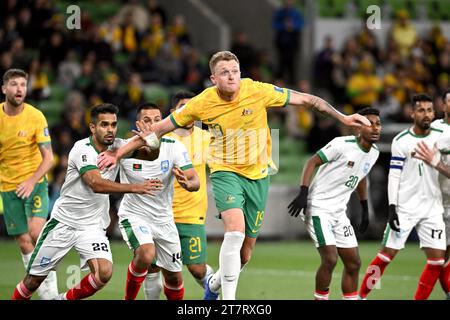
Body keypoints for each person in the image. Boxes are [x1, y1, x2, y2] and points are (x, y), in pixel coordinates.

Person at [97, 51, 371, 300]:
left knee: (245, 253)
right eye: (225, 72)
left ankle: (214, 284)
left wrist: (344, 118)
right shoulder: (202, 102)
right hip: (225, 172)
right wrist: (117, 155)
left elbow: (309, 100)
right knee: (235, 232)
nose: (231, 76)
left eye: (235, 70)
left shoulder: (257, 90)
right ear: (213, 78)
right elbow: (155, 131)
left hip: (259, 176)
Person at [11, 103, 159, 300]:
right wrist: (135, 188)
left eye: (113, 125)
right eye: (104, 125)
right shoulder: (82, 149)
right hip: (63, 223)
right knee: (32, 281)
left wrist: (152, 141)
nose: (110, 130)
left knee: (104, 273)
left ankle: (62, 299)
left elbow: (150, 156)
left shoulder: (118, 147)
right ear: (93, 127)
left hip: (91, 227)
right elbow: (96, 184)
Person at [358, 94, 447, 300]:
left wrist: (438, 162)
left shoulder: (441, 138)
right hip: (405, 207)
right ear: (412, 113)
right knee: (385, 256)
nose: (427, 115)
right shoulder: (402, 141)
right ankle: (361, 296)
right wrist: (392, 207)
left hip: (433, 207)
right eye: (422, 110)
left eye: (430, 110)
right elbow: (394, 175)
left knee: (436, 261)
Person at [288, 107, 381, 300]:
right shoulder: (341, 144)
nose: (375, 128)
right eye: (369, 123)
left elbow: (361, 175)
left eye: (378, 123)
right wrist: (303, 192)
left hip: (339, 213)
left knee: (354, 263)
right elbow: (311, 162)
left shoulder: (374, 153)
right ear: (358, 128)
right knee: (330, 258)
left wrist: (364, 207)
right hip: (318, 208)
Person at [118, 103, 200, 300]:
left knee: (173, 277)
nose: (153, 124)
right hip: (134, 215)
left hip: (164, 219)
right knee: (146, 254)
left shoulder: (174, 147)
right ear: (138, 124)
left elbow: (194, 180)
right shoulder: (124, 149)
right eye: (147, 120)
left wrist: (187, 184)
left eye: (157, 120)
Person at [142, 92, 214, 300]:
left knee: (197, 269)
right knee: (154, 268)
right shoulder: (161, 139)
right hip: (160, 214)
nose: (189, 111)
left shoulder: (206, 138)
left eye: (192, 107)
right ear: (173, 113)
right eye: (183, 107)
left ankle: (221, 295)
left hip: (192, 215)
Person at [0, 68, 58, 299]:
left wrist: (31, 180)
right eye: (14, 84)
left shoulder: (35, 116)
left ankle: (52, 293)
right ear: (4, 89)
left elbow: (49, 158)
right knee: (24, 243)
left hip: (35, 182)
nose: (19, 89)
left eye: (23, 85)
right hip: (8, 187)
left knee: (36, 233)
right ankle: (44, 294)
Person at [413, 89, 450, 299]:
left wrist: (435, 162)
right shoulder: (434, 130)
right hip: (437, 203)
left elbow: (433, 162)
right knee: (439, 257)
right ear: (443, 106)